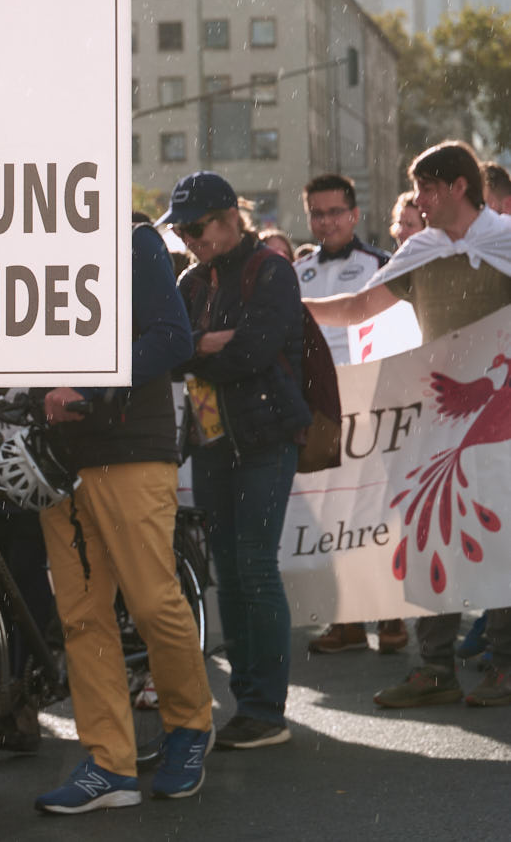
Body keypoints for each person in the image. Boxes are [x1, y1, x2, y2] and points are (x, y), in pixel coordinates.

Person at [304, 141, 511, 708]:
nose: (417, 200)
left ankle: (505, 664)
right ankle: (435, 668)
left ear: (457, 188)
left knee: (501, 536)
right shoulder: (421, 250)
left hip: (500, 417)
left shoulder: (506, 243)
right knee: (431, 535)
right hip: (438, 415)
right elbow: (357, 308)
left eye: (426, 188)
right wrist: (297, 308)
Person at [33, 221, 213, 814]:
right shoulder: (29, 244)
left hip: (132, 448)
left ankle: (189, 725)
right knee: (82, 618)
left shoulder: (132, 239)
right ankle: (108, 763)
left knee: (151, 601)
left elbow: (172, 336)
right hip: (61, 459)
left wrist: (87, 380)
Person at [166, 171, 309, 749]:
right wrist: (205, 344)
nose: (190, 240)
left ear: (231, 217)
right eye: (181, 231)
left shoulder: (272, 270)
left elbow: (252, 351)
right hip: (211, 443)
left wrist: (198, 348)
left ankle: (264, 708)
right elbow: (169, 348)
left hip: (264, 439)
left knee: (252, 566)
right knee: (230, 571)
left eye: (197, 227)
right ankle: (252, 702)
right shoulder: (193, 280)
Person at [297, 174, 405, 655]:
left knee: (379, 514)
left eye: (334, 212)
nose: (326, 221)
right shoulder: (295, 273)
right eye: (317, 213)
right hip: (319, 411)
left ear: (354, 215)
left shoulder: (380, 265)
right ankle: (347, 621)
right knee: (333, 513)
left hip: (374, 405)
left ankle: (393, 616)